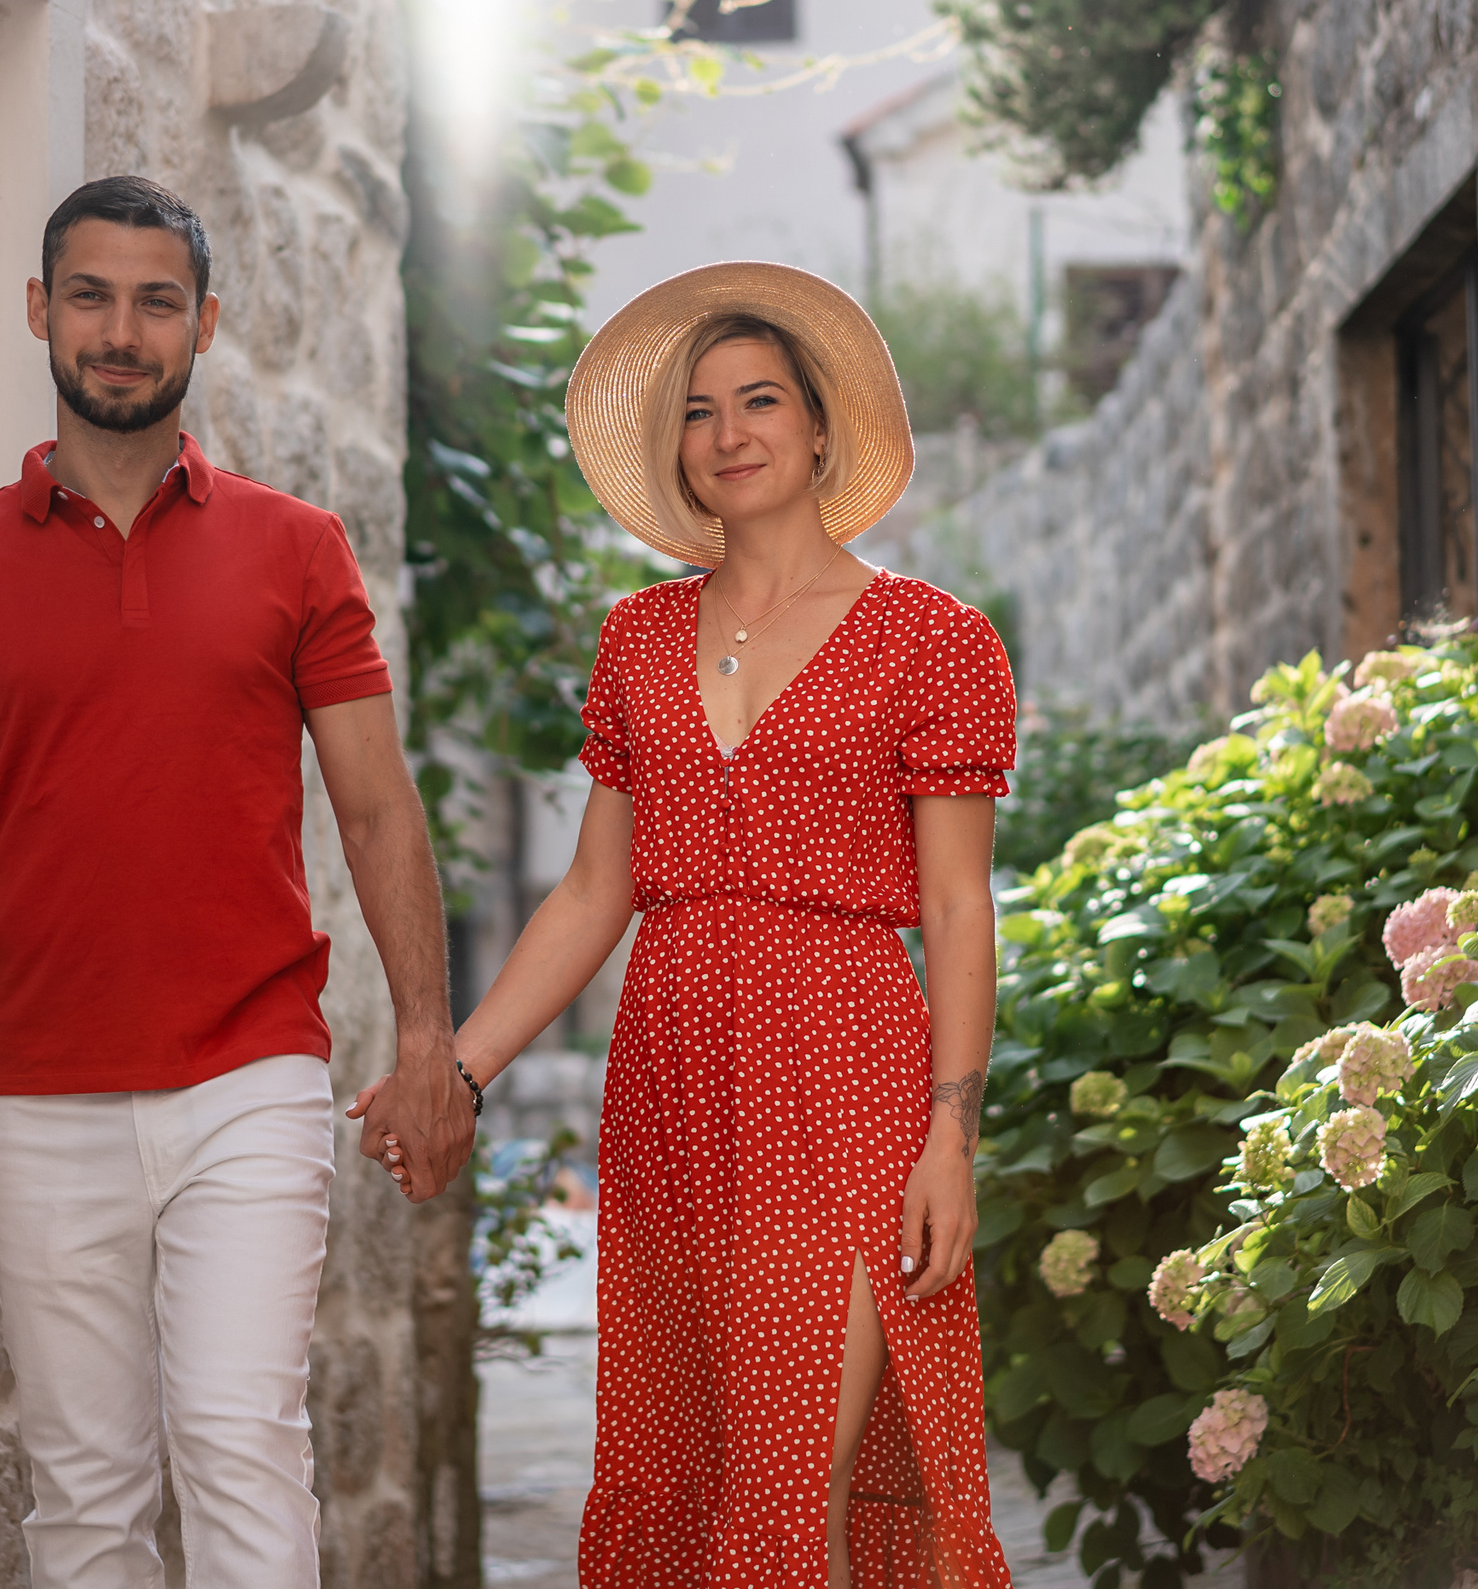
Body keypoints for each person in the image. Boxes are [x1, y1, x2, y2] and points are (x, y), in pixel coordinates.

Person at [0, 175, 474, 1589]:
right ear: (41, 312)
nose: (122, 329)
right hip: (42, 1092)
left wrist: (425, 1043)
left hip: (251, 1076)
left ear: (203, 324)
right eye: (91, 296)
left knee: (239, 1442)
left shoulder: (297, 549)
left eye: (157, 300)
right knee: (86, 1496)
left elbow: (374, 804)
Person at [355, 261, 1016, 1588]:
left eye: (760, 401)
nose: (731, 434)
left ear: (820, 426)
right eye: (702, 414)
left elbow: (956, 907)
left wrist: (952, 1132)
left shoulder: (932, 640)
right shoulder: (640, 640)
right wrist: (458, 1068)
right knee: (696, 1473)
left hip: (846, 1081)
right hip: (670, 1087)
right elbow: (596, 893)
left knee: (791, 1487)